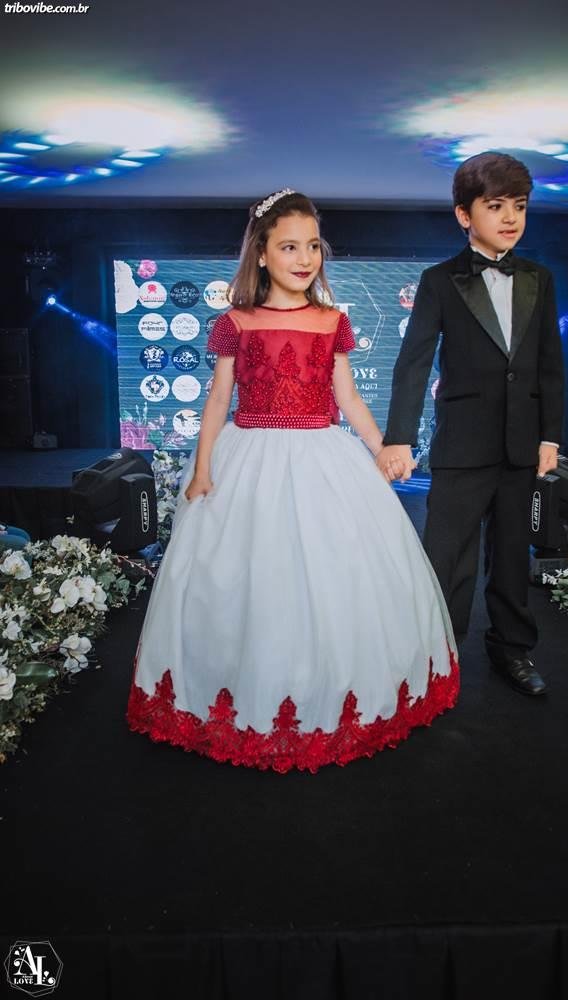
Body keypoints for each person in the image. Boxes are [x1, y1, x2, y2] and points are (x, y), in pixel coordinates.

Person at [127, 189, 459, 772]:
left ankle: (329, 694)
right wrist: (202, 469)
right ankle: (245, 693)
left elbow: (347, 397)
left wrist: (381, 447)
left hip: (322, 454)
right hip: (248, 455)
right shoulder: (236, 321)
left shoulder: (332, 320)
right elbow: (218, 399)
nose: (304, 258)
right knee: (247, 577)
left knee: (333, 573)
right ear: (261, 253)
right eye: (288, 247)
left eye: (312, 246)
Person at [377, 153, 564, 696]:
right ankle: (439, 653)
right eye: (495, 206)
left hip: (521, 446)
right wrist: (399, 438)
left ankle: (512, 650)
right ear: (465, 215)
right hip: (461, 445)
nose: (510, 218)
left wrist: (550, 435)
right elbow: (413, 362)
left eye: (519, 206)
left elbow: (550, 364)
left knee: (511, 556)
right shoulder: (439, 281)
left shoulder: (539, 278)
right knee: (448, 556)